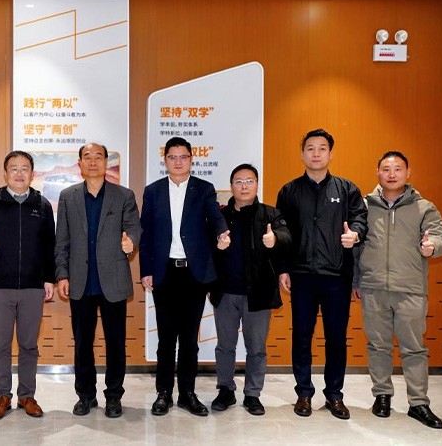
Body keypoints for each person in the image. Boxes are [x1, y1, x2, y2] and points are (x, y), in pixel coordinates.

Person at [352, 151, 442, 429]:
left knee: (414, 348)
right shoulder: (365, 206)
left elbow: (440, 237)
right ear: (378, 173)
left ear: (408, 173)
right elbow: (355, 247)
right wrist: (356, 281)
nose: (392, 174)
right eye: (386, 169)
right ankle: (382, 396)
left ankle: (418, 403)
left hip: (410, 289)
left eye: (397, 169)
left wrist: (432, 247)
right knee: (378, 346)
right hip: (373, 288)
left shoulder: (423, 207)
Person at [276, 128, 367, 420]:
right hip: (301, 275)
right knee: (302, 336)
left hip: (337, 276)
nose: (316, 153)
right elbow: (282, 232)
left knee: (336, 338)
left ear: (330, 153)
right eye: (311, 148)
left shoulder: (347, 189)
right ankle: (303, 393)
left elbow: (360, 219)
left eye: (322, 148)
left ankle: (334, 395)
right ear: (302, 153)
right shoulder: (289, 191)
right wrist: (283, 269)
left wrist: (355, 234)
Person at [139, 137, 229, 417]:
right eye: (172, 157)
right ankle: (163, 393)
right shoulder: (153, 191)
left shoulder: (204, 189)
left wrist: (222, 233)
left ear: (191, 159)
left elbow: (215, 217)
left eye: (183, 157)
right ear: (165, 160)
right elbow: (145, 233)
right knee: (166, 338)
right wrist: (146, 270)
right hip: (164, 272)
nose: (178, 162)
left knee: (189, 339)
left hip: (194, 273)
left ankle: (187, 394)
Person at [55, 143, 141, 419]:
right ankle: (86, 395)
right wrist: (62, 274)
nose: (93, 162)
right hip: (80, 281)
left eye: (98, 157)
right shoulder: (68, 197)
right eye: (87, 157)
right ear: (80, 163)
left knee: (116, 342)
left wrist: (131, 242)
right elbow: (62, 240)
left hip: (113, 280)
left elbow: (134, 228)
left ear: (106, 162)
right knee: (83, 343)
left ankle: (114, 396)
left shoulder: (123, 195)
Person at [0, 151, 56, 420]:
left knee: (29, 344)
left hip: (32, 286)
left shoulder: (42, 205)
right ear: (5, 173)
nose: (19, 173)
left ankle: (27, 396)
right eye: (14, 168)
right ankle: (3, 396)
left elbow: (50, 245)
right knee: (0, 345)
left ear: (32, 173)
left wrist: (49, 278)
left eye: (24, 168)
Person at [208, 164, 291, 416]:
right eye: (239, 181)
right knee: (225, 346)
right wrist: (217, 247)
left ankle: (253, 394)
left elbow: (288, 237)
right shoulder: (220, 216)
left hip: (259, 292)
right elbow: (205, 248)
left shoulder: (270, 214)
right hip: (225, 292)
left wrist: (275, 239)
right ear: (231, 186)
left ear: (257, 184)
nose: (244, 186)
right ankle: (225, 389)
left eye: (249, 181)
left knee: (256, 347)